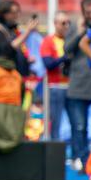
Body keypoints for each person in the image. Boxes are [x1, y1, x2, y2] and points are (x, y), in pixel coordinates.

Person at [64, 0, 91, 173]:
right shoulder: (77, 29)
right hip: (79, 82)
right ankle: (83, 162)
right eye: (88, 12)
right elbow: (66, 49)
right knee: (79, 125)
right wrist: (80, 32)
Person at [39, 11, 71, 140]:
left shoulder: (70, 40)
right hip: (56, 87)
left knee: (76, 123)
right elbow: (48, 64)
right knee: (55, 123)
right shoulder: (48, 41)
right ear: (55, 24)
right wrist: (64, 58)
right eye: (63, 23)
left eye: (68, 23)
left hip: (72, 88)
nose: (66, 26)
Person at [0, 0, 38, 78]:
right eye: (14, 13)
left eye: (18, 12)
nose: (17, 15)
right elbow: (9, 48)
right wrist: (28, 31)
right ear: (4, 14)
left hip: (19, 76)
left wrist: (26, 59)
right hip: (6, 77)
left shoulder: (13, 30)